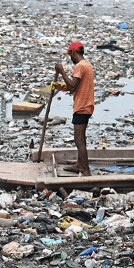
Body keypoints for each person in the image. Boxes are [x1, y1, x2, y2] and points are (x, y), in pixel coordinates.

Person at [54, 41, 94, 176]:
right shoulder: (87, 64)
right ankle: (79, 164)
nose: (70, 57)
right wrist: (60, 87)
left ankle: (86, 170)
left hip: (82, 107)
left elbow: (72, 86)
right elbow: (75, 86)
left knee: (79, 140)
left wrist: (61, 71)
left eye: (70, 54)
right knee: (81, 138)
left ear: (72, 52)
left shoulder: (80, 66)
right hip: (87, 105)